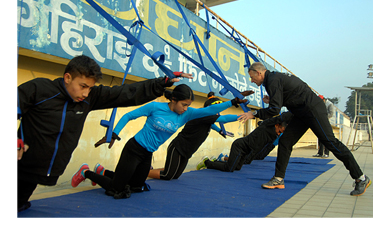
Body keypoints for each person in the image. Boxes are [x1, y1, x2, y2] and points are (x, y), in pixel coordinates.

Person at [17, 55, 190, 212]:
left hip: (40, 172)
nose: (85, 93)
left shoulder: (88, 98)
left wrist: (161, 82)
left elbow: (124, 94)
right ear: (68, 77)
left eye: (90, 88)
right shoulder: (38, 89)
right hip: (19, 167)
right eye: (83, 86)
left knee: (19, 206)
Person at [70, 84, 249, 199]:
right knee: (117, 189)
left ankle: (104, 171)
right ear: (173, 100)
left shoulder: (187, 114)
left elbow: (215, 111)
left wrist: (233, 103)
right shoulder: (155, 107)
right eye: (184, 104)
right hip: (134, 148)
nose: (186, 108)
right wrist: (115, 133)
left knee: (136, 187)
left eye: (188, 105)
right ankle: (86, 172)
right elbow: (129, 115)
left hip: (147, 153)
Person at [237, 62, 372, 196]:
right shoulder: (272, 79)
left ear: (258, 72)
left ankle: (361, 178)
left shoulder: (272, 80)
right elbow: (290, 96)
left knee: (330, 142)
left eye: (252, 77)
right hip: (300, 112)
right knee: (285, 142)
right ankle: (278, 179)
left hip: (312, 110)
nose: (252, 80)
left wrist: (253, 114)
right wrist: (272, 99)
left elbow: (274, 110)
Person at [144, 92, 239, 180]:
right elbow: (225, 118)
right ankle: (140, 172)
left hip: (187, 151)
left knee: (175, 175)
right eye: (218, 107)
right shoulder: (203, 115)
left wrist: (219, 131)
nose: (219, 110)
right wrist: (244, 115)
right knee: (168, 175)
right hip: (177, 148)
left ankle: (151, 170)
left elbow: (211, 124)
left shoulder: (206, 118)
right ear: (210, 108)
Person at [199, 111, 292, 172]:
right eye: (279, 131)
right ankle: (207, 162)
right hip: (239, 146)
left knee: (237, 168)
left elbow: (261, 150)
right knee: (229, 168)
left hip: (246, 151)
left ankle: (216, 160)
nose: (279, 134)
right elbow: (276, 118)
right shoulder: (266, 126)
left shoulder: (273, 136)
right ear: (276, 125)